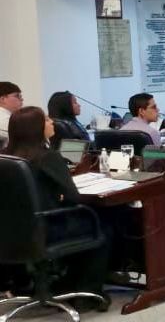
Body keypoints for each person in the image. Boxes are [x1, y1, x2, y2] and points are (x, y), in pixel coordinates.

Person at [2, 106, 109, 294]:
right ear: (36, 128)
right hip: (46, 228)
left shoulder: (6, 157)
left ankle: (53, 282)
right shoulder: (48, 157)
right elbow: (73, 197)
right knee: (104, 224)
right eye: (46, 120)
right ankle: (86, 293)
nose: (52, 122)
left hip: (11, 231)